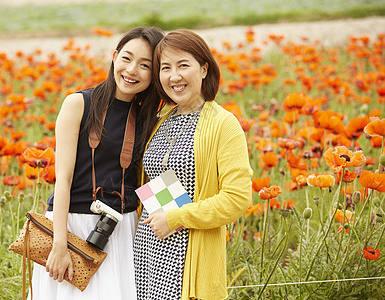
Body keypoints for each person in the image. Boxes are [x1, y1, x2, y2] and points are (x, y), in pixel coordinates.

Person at [30, 26, 165, 300]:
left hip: (121, 230)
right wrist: (59, 243)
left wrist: (181, 216)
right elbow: (63, 180)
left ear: (155, 74)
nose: (131, 70)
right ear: (114, 56)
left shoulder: (151, 118)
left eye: (145, 65)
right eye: (127, 58)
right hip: (71, 225)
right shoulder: (78, 103)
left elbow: (152, 178)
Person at [134, 29, 252, 300]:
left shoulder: (224, 124)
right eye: (165, 68)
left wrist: (175, 218)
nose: (173, 76)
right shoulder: (161, 120)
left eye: (183, 65)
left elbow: (236, 199)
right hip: (147, 251)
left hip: (187, 257)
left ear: (203, 69)